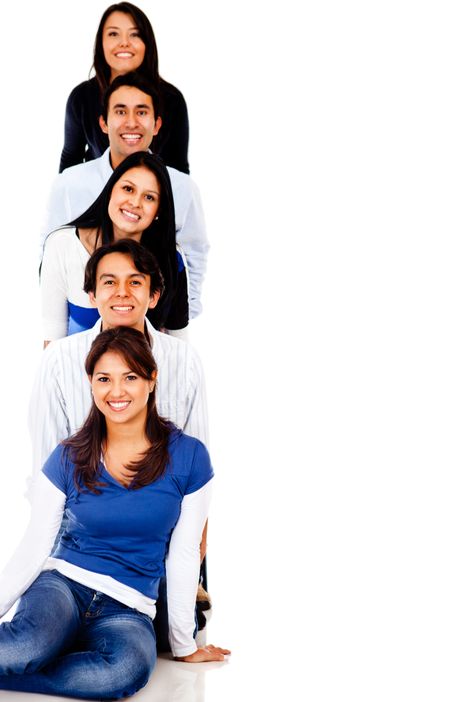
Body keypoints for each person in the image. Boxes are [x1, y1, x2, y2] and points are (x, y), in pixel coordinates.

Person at [0, 327, 229, 698]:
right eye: (104, 378)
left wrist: (185, 645)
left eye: (131, 377)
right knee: (28, 645)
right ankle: (40, 651)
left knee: (122, 673)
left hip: (129, 607)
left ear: (151, 380)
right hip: (63, 587)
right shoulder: (68, 456)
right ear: (91, 382)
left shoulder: (190, 457)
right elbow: (33, 548)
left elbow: (184, 553)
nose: (117, 391)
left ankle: (31, 666)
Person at [30, 239, 208, 481]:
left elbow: (198, 471)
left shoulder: (184, 360)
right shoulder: (58, 361)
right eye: (109, 282)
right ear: (92, 296)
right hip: (80, 512)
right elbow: (46, 466)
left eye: (135, 282)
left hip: (164, 511)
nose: (122, 292)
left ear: (153, 296)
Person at [43, 72, 207, 320]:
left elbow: (195, 256)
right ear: (104, 123)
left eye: (141, 112)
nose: (131, 122)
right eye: (120, 111)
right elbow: (48, 262)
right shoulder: (69, 185)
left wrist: (179, 317)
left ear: (157, 123)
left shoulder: (182, 189)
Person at [41, 151, 189, 345]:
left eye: (149, 197)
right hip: (76, 372)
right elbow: (52, 345)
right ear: (110, 189)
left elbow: (180, 348)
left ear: (158, 210)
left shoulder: (171, 258)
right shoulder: (62, 246)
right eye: (128, 189)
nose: (135, 203)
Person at [60, 1, 190, 174]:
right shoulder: (82, 97)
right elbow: (70, 161)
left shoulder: (172, 100)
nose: (124, 43)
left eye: (135, 34)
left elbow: (178, 170)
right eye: (113, 34)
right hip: (97, 196)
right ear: (101, 43)